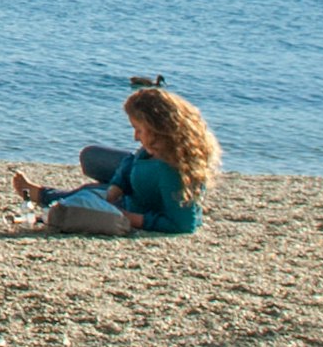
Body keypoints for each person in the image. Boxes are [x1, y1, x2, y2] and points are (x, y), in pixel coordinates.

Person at [14, 83, 220, 236]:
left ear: (159, 129)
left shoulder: (172, 171)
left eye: (139, 130)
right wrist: (118, 184)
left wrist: (133, 219)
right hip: (133, 182)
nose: (135, 137)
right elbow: (132, 159)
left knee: (87, 192)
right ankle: (103, 186)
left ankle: (41, 195)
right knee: (91, 156)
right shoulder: (154, 147)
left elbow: (184, 225)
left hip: (136, 201)